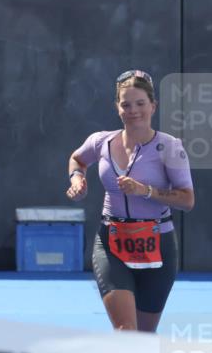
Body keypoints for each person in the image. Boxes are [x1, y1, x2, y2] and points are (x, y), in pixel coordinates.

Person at [65, 69, 194, 332]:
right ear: (117, 107)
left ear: (153, 106)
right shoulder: (100, 141)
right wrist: (77, 179)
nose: (133, 110)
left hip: (157, 244)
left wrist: (145, 191)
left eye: (140, 103)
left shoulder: (170, 147)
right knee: (126, 331)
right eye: (126, 105)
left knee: (143, 337)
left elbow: (187, 199)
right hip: (111, 242)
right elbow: (77, 159)